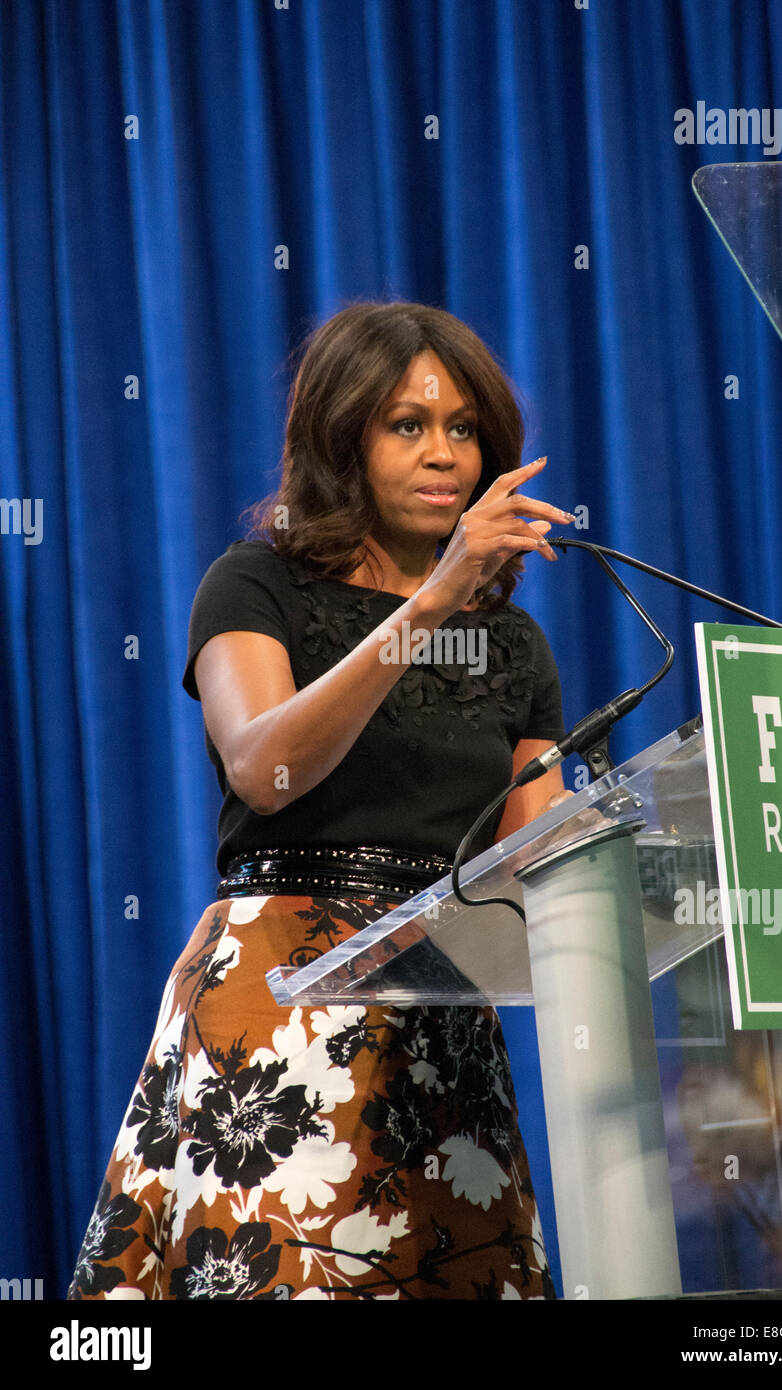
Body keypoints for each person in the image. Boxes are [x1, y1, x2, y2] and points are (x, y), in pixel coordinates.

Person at [68, 300, 574, 1301]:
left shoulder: (513, 645)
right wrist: (428, 605)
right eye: (407, 424)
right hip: (281, 1003)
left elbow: (543, 870)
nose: (443, 454)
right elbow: (266, 767)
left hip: (442, 1025)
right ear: (343, 438)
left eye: (462, 429)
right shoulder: (254, 586)